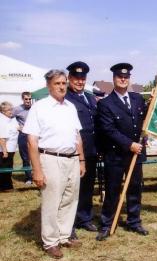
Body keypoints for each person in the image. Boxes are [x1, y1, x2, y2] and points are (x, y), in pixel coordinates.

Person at [23, 69, 85, 259]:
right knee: (52, 202)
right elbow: (31, 141)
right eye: (57, 83)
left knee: (70, 198)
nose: (61, 86)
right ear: (48, 86)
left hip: (72, 158)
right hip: (50, 158)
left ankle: (64, 235)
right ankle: (50, 242)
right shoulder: (39, 108)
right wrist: (37, 171)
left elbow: (77, 136)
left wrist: (81, 160)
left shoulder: (70, 107)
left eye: (64, 83)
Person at [96, 63, 148, 241]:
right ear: (114, 79)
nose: (123, 79)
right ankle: (107, 224)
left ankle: (134, 221)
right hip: (115, 155)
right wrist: (129, 144)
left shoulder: (137, 98)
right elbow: (108, 130)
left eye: (126, 77)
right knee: (112, 190)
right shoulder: (105, 104)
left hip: (135, 155)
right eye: (120, 76)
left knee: (135, 189)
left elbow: (145, 120)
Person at [64, 61, 98, 237]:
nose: (80, 81)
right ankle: (69, 225)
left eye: (83, 78)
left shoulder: (90, 97)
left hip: (91, 151)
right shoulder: (65, 99)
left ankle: (84, 218)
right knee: (71, 190)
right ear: (69, 78)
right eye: (76, 78)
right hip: (74, 152)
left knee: (87, 187)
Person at [12, 91, 33, 185]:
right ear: (22, 99)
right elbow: (6, 116)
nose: (28, 101)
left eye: (29, 99)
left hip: (35, 135)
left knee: (38, 156)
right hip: (23, 135)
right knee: (25, 157)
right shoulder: (17, 109)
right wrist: (15, 126)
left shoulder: (35, 108)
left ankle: (39, 175)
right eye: (26, 99)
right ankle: (29, 178)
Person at [0, 102, 20, 191]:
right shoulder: (2, 120)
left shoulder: (10, 119)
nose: (11, 111)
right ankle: (5, 187)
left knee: (9, 167)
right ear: (3, 111)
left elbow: (18, 128)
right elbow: (2, 138)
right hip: (4, 150)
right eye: (9, 110)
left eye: (12, 109)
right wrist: (5, 151)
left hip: (11, 149)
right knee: (5, 168)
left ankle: (7, 185)